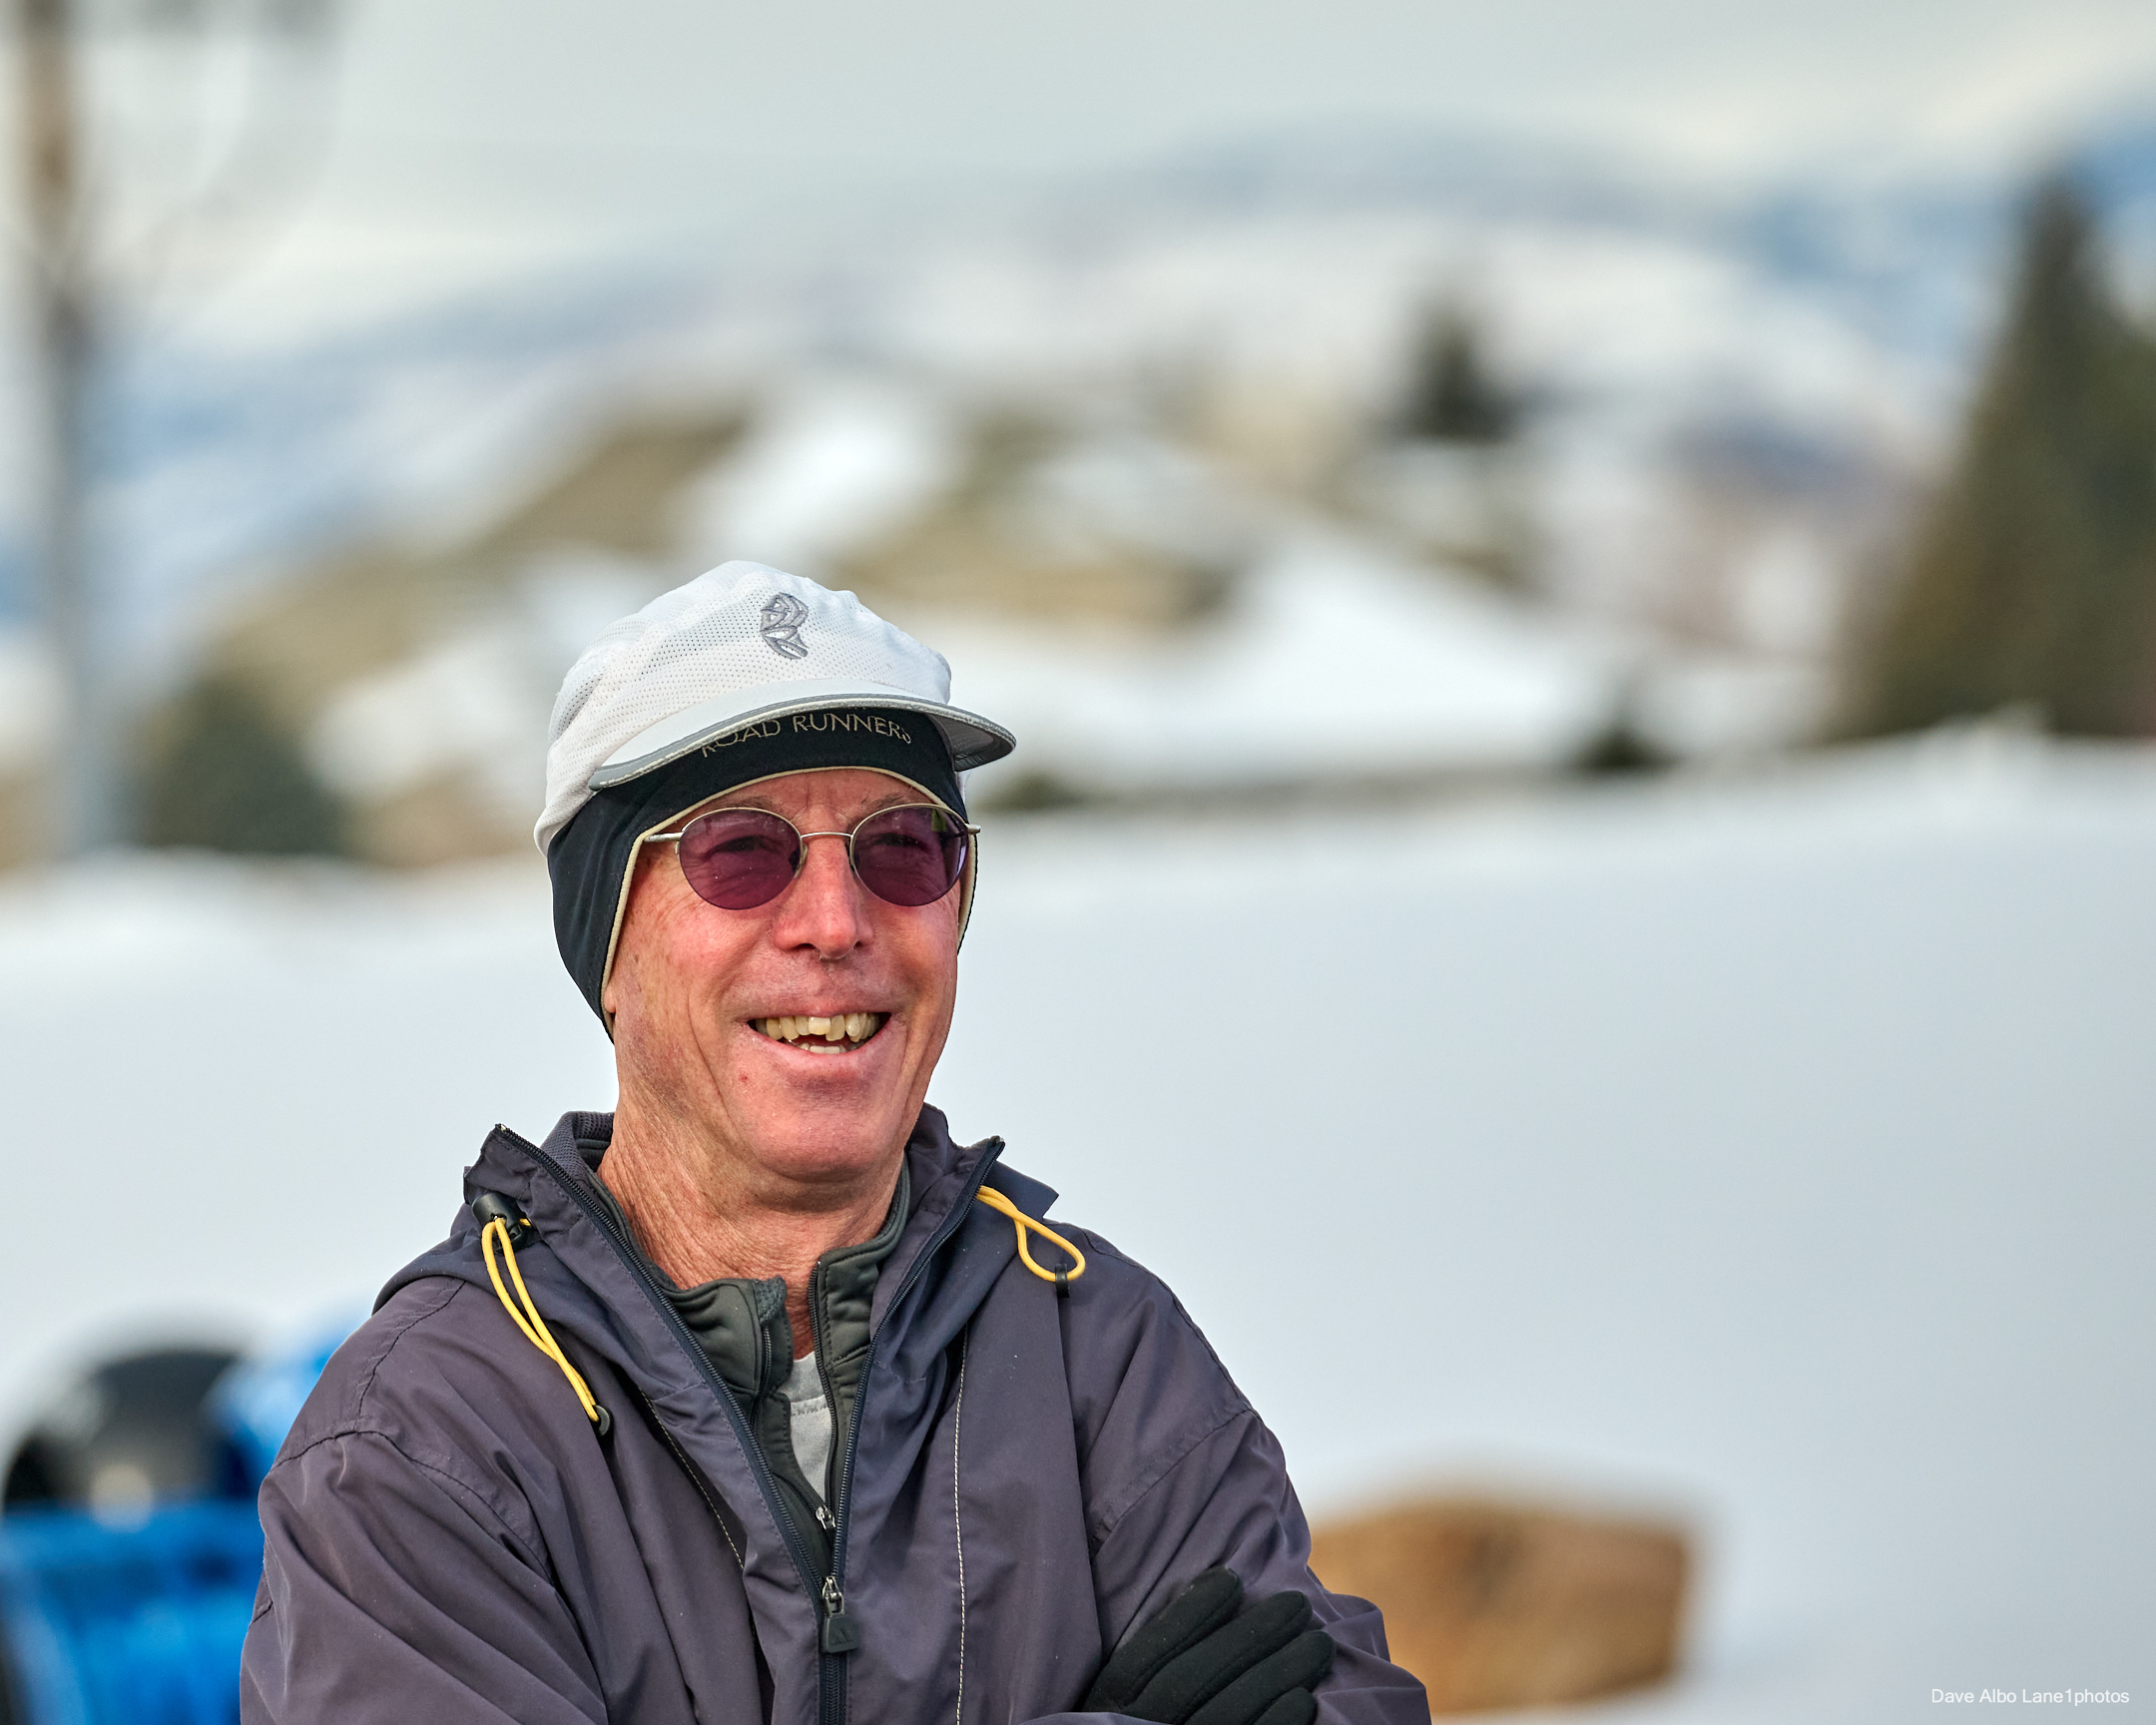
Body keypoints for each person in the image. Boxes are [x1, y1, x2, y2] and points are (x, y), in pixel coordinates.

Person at [240, 563, 1429, 1725]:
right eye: (741, 852)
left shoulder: (1101, 1354)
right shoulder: (427, 1437)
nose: (835, 922)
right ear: (607, 942)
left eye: (902, 847)